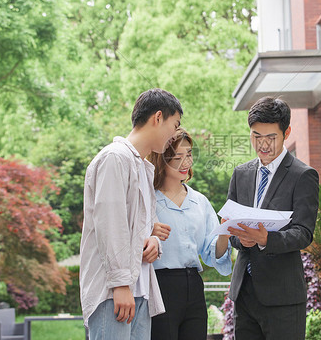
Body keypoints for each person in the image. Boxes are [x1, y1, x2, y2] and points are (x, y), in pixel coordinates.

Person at [80, 88, 183, 340]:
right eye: (175, 124)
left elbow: (145, 226)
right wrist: (120, 284)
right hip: (114, 292)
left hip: (140, 289)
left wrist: (153, 241)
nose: (175, 134)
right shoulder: (115, 158)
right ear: (158, 118)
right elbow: (110, 225)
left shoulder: (143, 167)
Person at [226, 96, 319, 340]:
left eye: (271, 137)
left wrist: (266, 239)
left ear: (286, 132)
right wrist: (241, 240)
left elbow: (304, 232)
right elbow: (230, 228)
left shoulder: (303, 175)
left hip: (283, 299)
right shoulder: (240, 174)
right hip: (244, 293)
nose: (263, 144)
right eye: (256, 136)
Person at [147, 128, 232, 340]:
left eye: (189, 154)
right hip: (160, 287)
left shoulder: (199, 202)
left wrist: (225, 232)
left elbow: (213, 254)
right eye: (178, 157)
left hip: (194, 287)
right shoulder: (148, 200)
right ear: (162, 159)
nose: (186, 162)